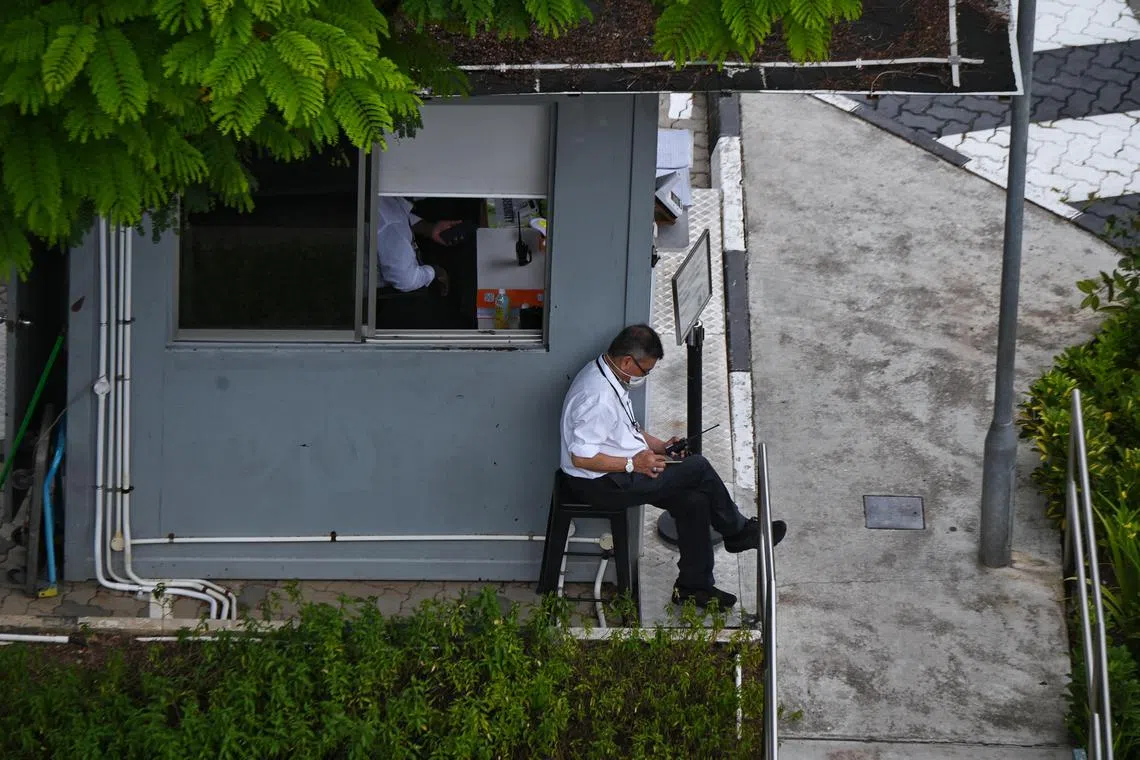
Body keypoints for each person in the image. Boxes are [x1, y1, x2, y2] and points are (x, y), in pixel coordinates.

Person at [559, 324, 787, 610]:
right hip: (601, 482)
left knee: (694, 501)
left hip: (620, 469)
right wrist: (633, 463)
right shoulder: (597, 397)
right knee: (698, 467)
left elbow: (627, 430)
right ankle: (738, 531)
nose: (645, 376)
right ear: (628, 361)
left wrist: (660, 447)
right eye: (646, 371)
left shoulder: (611, 375)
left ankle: (694, 587)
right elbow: (581, 456)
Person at [374, 196, 463, 329]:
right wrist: (435, 272)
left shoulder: (384, 200)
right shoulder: (393, 224)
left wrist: (428, 228)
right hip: (381, 303)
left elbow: (398, 214)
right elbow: (406, 281)